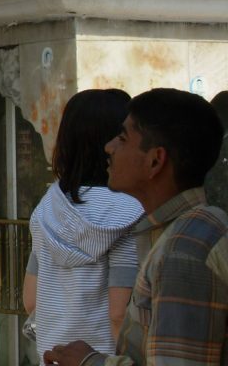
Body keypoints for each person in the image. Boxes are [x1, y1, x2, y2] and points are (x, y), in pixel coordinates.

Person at [44, 88, 228, 366]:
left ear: (155, 160)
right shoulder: (183, 231)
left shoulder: (183, 252)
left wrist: (91, 362)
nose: (109, 147)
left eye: (123, 138)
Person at [24, 89, 143, 361]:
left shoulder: (47, 208)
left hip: (54, 355)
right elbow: (119, 312)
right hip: (103, 358)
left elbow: (31, 299)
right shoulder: (130, 213)